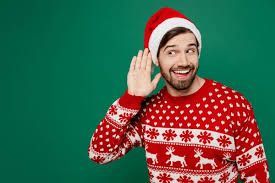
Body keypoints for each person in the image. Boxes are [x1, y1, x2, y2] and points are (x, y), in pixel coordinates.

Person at [88, 7, 270, 183]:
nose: (183, 61)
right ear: (156, 59)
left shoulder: (234, 105)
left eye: (190, 50)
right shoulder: (147, 111)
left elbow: (257, 176)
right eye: (171, 52)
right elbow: (100, 154)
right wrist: (131, 97)